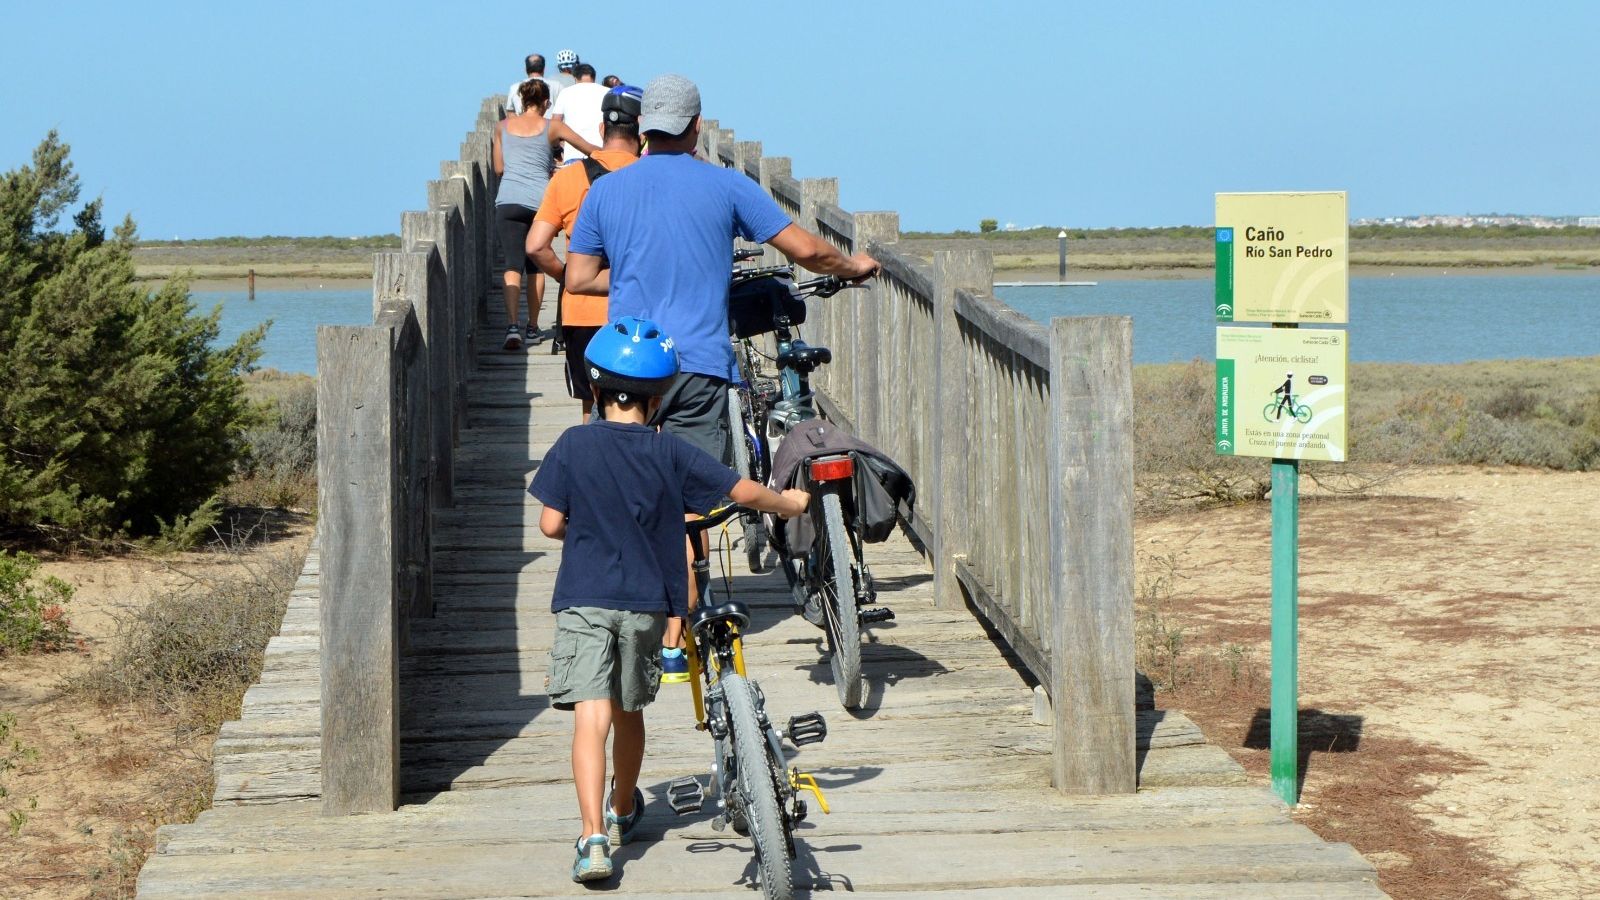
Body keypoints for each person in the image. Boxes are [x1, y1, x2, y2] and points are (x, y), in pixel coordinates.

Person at [564, 73, 879, 679]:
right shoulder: (725, 186)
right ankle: (681, 634)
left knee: (638, 487)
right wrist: (856, 266)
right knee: (688, 496)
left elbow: (577, 278)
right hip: (699, 365)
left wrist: (633, 280)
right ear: (696, 127)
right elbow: (805, 251)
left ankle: (649, 618)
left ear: (642, 129)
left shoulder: (606, 192)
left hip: (628, 365)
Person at [528, 316, 808, 883]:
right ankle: (625, 805)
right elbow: (740, 490)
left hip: (584, 597)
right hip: (645, 605)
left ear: (598, 389)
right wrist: (791, 504)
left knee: (591, 716)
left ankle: (592, 838)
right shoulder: (671, 453)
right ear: (657, 402)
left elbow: (549, 525)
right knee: (629, 711)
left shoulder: (573, 444)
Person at [527, 85, 644, 419]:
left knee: (591, 408)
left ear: (602, 130)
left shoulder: (569, 178)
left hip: (582, 314)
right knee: (647, 405)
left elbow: (535, 245)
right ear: (642, 133)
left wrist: (567, 275)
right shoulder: (651, 177)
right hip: (639, 310)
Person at [492, 79, 557, 350]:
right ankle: (532, 327)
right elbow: (589, 148)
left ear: (520, 101)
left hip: (508, 201)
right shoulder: (553, 127)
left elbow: (498, 168)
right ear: (546, 103)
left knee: (512, 264)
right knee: (536, 266)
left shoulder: (501, 127)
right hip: (541, 203)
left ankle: (512, 327)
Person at [549, 63, 606, 165]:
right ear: (594, 77)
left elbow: (554, 124)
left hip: (573, 155)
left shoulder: (565, 93)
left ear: (575, 78)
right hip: (601, 154)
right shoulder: (607, 92)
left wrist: (556, 149)